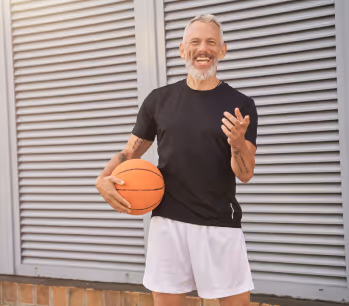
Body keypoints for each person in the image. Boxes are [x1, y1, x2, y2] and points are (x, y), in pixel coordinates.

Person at [96, 14, 258, 306]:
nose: (203, 49)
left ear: (223, 50)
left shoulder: (240, 104)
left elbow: (245, 174)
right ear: (183, 50)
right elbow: (130, 152)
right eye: (195, 42)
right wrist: (102, 179)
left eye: (211, 42)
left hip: (219, 221)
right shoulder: (159, 100)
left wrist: (236, 145)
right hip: (168, 220)